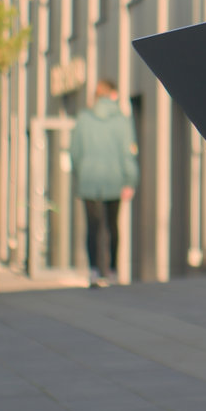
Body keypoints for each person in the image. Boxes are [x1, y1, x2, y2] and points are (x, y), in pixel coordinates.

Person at [71, 78, 138, 287]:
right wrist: (130, 180)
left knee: (92, 226)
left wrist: (80, 173)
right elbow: (128, 153)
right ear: (113, 94)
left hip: (89, 180)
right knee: (112, 225)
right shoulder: (121, 120)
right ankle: (112, 271)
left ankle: (93, 270)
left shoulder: (83, 119)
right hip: (114, 179)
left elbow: (75, 153)